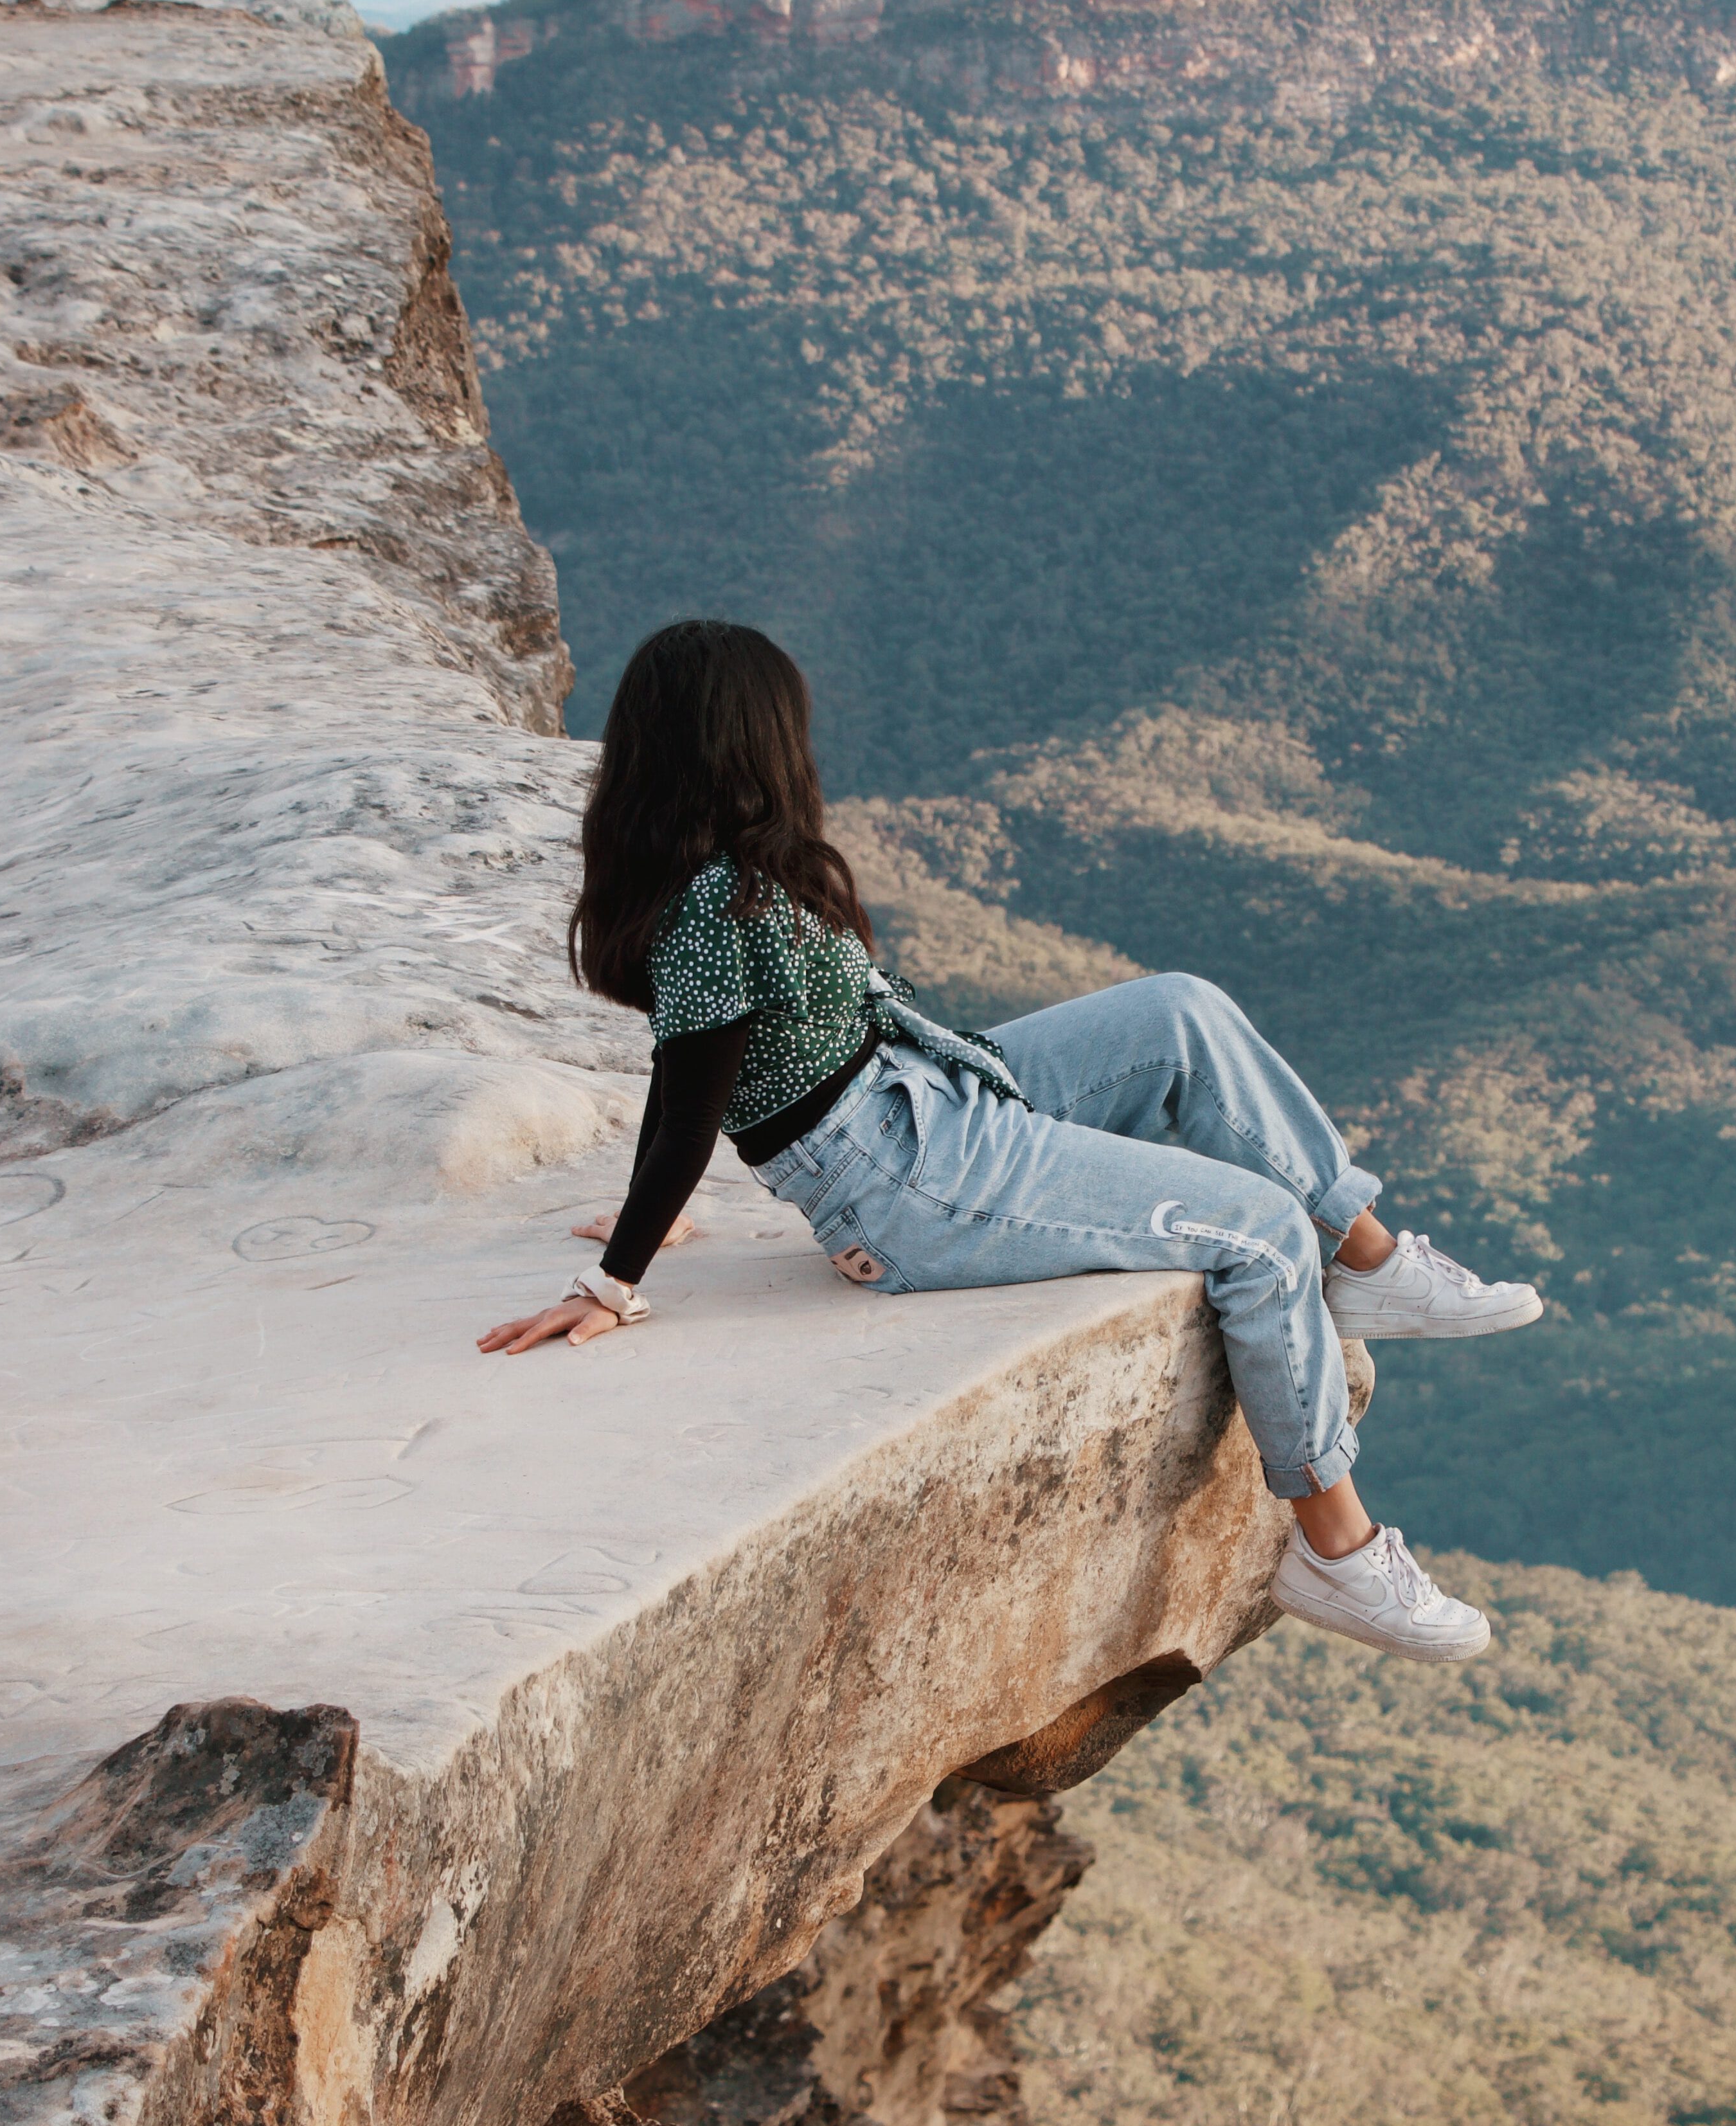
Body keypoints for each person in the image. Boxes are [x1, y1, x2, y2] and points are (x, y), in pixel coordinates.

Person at [478, 622, 1544, 1661]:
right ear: (750, 747)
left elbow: (685, 1082)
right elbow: (692, 1090)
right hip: (906, 1176)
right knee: (1259, 1235)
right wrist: (614, 1277)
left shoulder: (724, 880)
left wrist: (643, 1224)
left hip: (924, 1089)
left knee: (1181, 1011)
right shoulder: (726, 903)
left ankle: (1369, 1260)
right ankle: (1336, 1551)